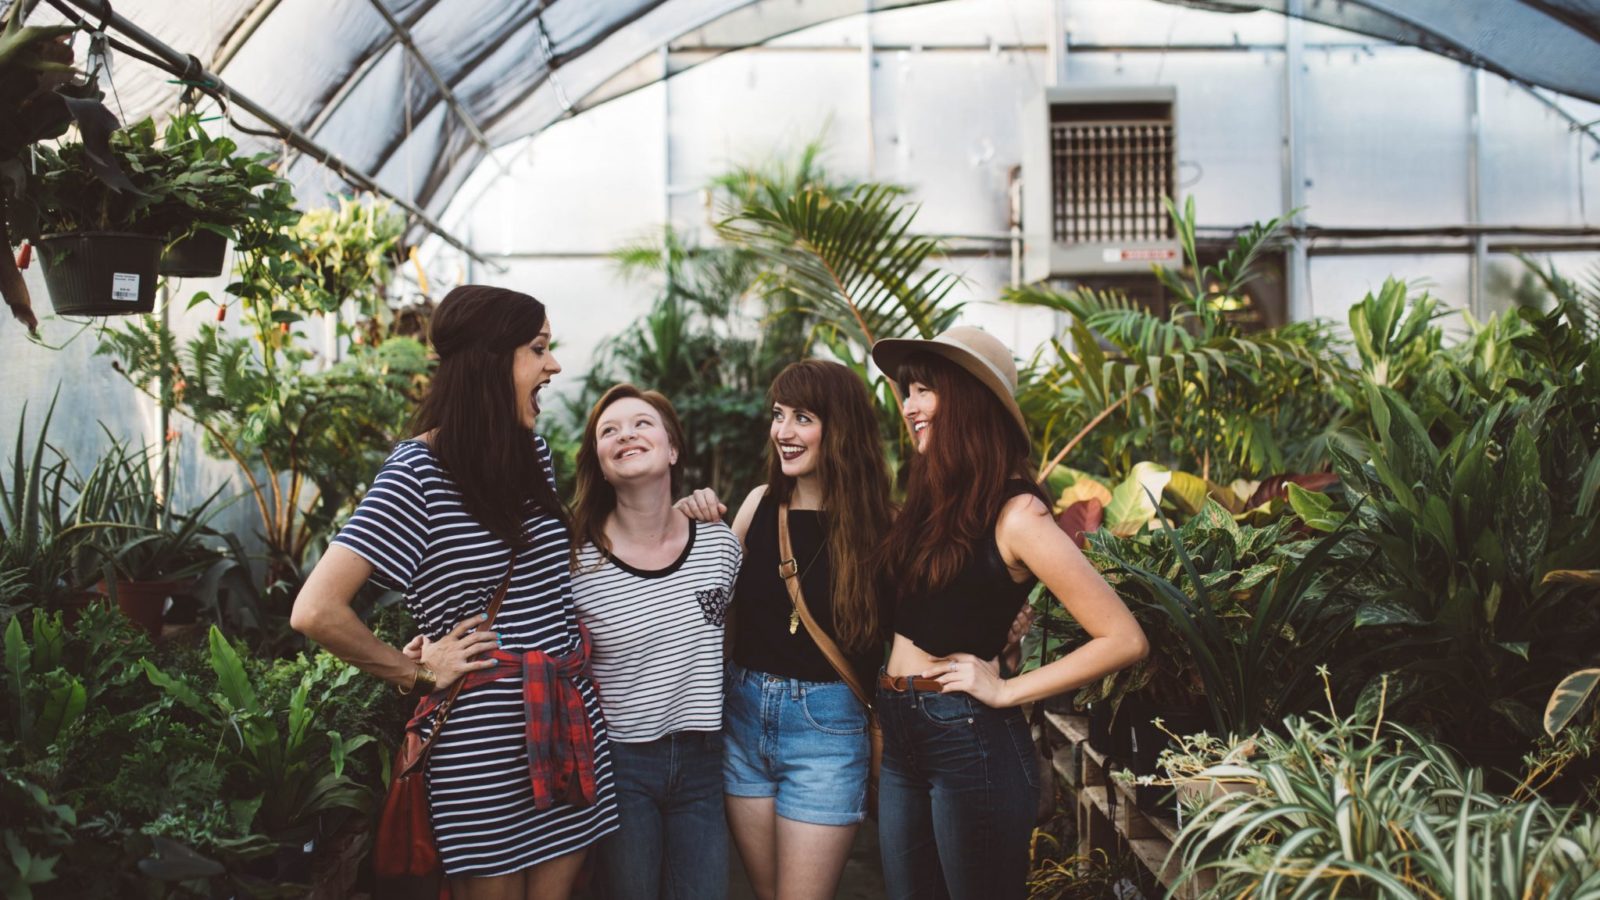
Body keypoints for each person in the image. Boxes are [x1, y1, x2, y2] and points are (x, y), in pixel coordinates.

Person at [290, 285, 617, 900]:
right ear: (493, 361)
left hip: (567, 723)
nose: (553, 366)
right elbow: (315, 609)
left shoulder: (534, 454)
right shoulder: (416, 473)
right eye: (538, 349)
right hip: (484, 743)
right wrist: (412, 673)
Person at [870, 326, 1148, 900]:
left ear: (970, 400)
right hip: (901, 732)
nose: (910, 405)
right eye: (907, 391)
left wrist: (1004, 690)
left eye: (925, 390)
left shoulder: (1017, 511)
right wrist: (1005, 644)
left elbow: (1123, 638)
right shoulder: (932, 499)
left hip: (965, 737)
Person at [721, 359, 896, 900]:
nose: (783, 432)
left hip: (828, 731)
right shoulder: (758, 504)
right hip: (744, 722)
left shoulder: (884, 526)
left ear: (840, 428)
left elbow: (925, 619)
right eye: (778, 415)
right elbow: (710, 603)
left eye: (803, 418)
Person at [566, 384, 742, 899]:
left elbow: (730, 633)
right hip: (621, 767)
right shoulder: (577, 561)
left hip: (703, 760)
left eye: (642, 423)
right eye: (609, 431)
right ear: (600, 465)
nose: (626, 435)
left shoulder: (718, 544)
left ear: (672, 449)